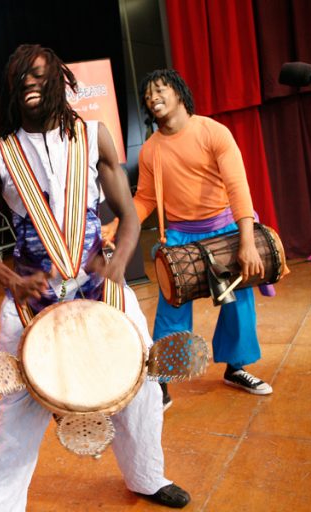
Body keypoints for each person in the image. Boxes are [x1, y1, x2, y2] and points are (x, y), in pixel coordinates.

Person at [0, 44, 190, 510]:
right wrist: (8, 277)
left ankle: (147, 477)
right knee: (18, 409)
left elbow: (129, 217)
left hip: (101, 288)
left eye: (39, 77)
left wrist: (119, 261)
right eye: (20, 80)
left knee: (142, 385)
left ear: (59, 83)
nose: (29, 84)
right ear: (12, 90)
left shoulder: (95, 136)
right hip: (30, 298)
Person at [103, 69, 272, 405]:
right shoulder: (151, 150)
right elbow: (146, 199)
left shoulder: (213, 132)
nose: (153, 98)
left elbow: (238, 186)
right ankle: (162, 382)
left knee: (238, 304)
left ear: (179, 92)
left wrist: (247, 240)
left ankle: (235, 368)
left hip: (224, 230)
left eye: (160, 90)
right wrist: (118, 224)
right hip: (181, 236)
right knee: (172, 309)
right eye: (148, 96)